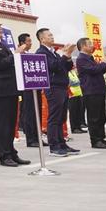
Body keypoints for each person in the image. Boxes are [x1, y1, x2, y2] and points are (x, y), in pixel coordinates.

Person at [0, 15, 30, 167]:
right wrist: (15, 54)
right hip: (0, 89)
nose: (0, 29)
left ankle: (12, 153)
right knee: (2, 124)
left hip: (10, 88)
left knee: (10, 123)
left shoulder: (2, 45)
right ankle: (4, 155)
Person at [35, 28, 78, 158]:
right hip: (53, 87)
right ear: (42, 39)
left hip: (62, 87)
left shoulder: (53, 52)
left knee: (61, 117)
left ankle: (62, 144)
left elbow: (66, 67)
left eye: (52, 35)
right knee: (54, 118)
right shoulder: (41, 52)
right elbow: (53, 66)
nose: (52, 37)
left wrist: (68, 56)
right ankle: (54, 147)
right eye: (49, 35)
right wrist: (65, 54)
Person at [75, 38, 106, 149]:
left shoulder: (90, 58)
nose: (92, 46)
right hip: (91, 91)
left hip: (98, 89)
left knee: (101, 117)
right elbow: (94, 70)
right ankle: (95, 140)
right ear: (83, 46)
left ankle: (101, 138)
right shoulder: (81, 59)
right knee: (94, 117)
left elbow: (100, 70)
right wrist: (103, 62)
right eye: (90, 44)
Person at [17, 33, 40, 147]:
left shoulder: (30, 55)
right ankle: (31, 139)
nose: (31, 43)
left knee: (36, 113)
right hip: (25, 89)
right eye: (28, 41)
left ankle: (37, 137)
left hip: (35, 87)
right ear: (22, 43)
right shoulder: (18, 55)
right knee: (29, 113)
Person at [67, 69, 87, 134]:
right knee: (73, 112)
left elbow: (78, 81)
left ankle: (78, 127)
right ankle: (74, 128)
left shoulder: (73, 72)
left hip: (78, 93)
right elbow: (70, 83)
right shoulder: (67, 72)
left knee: (78, 111)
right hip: (72, 94)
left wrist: (77, 82)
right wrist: (77, 82)